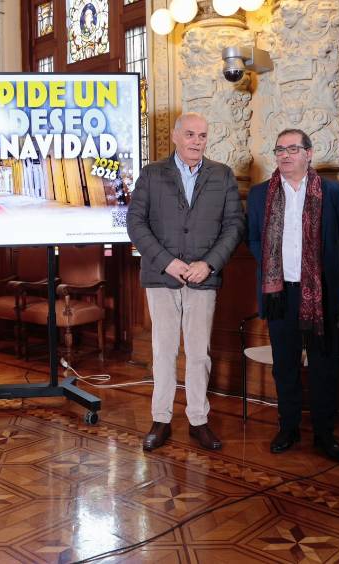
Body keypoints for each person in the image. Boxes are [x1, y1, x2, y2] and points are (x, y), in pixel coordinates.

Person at [127, 112, 245, 451]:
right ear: (176, 137)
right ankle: (161, 419)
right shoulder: (152, 174)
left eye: (202, 135)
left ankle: (198, 420)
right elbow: (135, 222)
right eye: (190, 134)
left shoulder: (222, 175)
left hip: (203, 278)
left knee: (198, 353)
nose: (197, 141)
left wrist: (209, 264)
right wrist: (167, 262)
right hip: (160, 277)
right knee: (164, 351)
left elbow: (234, 225)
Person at [247, 129, 339, 463]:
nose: (285, 155)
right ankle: (288, 428)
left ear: (309, 153)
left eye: (293, 149)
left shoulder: (334, 192)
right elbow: (254, 239)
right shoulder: (260, 194)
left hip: (320, 293)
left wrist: (328, 280)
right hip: (279, 294)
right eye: (280, 149)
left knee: (323, 366)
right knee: (284, 366)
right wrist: (272, 267)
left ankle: (324, 434)